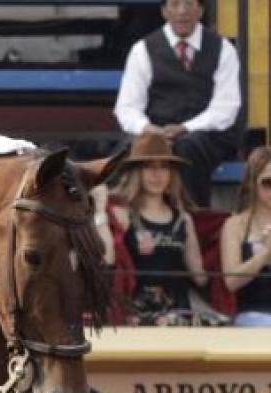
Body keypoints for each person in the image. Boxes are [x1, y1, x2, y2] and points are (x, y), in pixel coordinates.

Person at [113, 0, 240, 208]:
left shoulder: (223, 49)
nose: (182, 11)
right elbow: (127, 108)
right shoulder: (143, 49)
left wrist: (186, 128)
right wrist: (149, 129)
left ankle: (192, 219)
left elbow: (226, 108)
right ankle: (129, 225)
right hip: (156, 129)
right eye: (175, 4)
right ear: (164, 11)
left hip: (208, 134)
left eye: (189, 4)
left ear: (200, 10)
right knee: (129, 151)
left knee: (187, 147)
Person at [109, 133, 207, 325]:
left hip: (177, 314)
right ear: (136, 173)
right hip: (134, 315)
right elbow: (109, 265)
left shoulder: (183, 219)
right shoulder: (122, 215)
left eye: (164, 167)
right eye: (149, 167)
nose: (157, 175)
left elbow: (200, 277)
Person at [219, 146, 271, 328]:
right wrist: (264, 257)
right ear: (252, 183)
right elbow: (231, 282)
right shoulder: (235, 225)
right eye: (268, 183)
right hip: (253, 315)